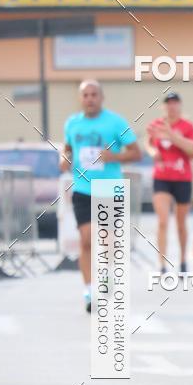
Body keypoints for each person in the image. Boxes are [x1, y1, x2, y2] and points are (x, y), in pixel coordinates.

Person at [60, 80, 141, 312]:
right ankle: (89, 291)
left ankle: (106, 277)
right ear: (80, 98)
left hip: (110, 188)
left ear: (101, 97)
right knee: (86, 240)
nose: (90, 99)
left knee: (107, 241)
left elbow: (136, 153)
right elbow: (67, 148)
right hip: (83, 189)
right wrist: (64, 158)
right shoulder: (72, 123)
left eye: (94, 94)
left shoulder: (115, 122)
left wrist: (113, 157)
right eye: (85, 95)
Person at [146, 92, 193, 273]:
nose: (172, 106)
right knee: (162, 220)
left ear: (180, 106)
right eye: (168, 103)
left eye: (175, 103)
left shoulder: (188, 127)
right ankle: (161, 262)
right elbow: (150, 144)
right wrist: (153, 152)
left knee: (180, 223)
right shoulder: (156, 125)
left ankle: (183, 259)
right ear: (164, 106)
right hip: (161, 177)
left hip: (182, 178)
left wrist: (173, 137)